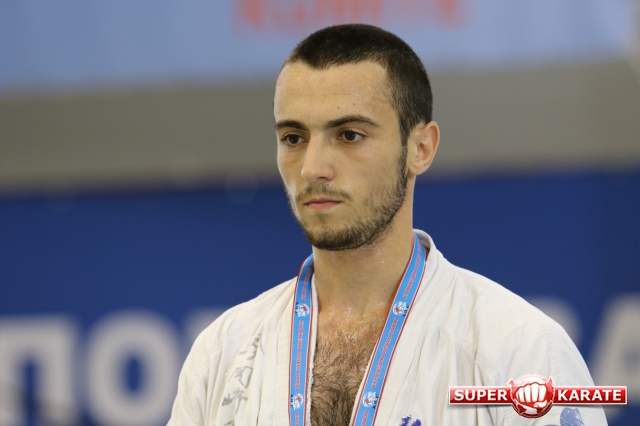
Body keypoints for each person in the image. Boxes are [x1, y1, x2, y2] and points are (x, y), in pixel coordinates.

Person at [168, 24, 607, 426]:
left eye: (350, 135)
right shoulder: (221, 351)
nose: (312, 168)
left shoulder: (521, 350)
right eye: (293, 138)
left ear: (421, 148)